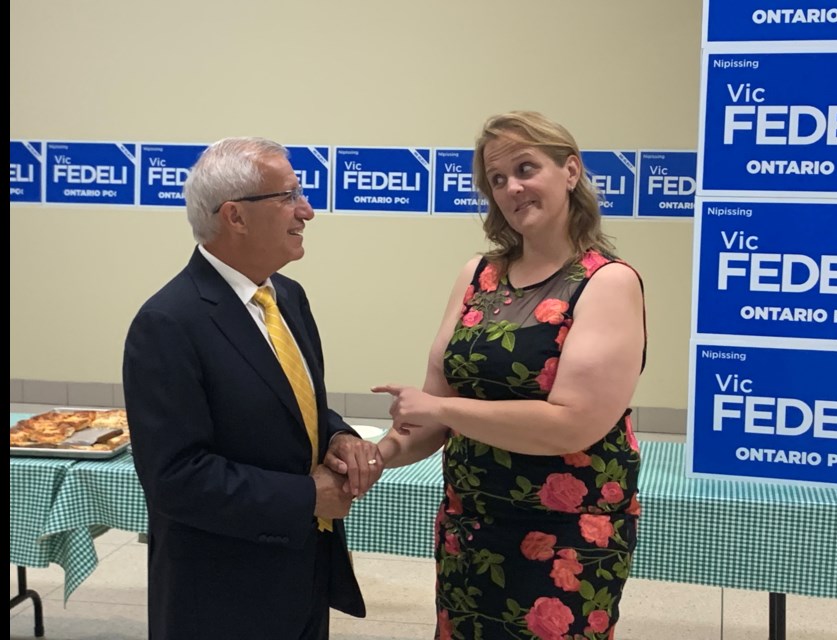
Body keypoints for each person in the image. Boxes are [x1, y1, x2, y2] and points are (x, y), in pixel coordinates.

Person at [371, 111, 647, 639]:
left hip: (567, 535)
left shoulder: (607, 282)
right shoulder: (478, 274)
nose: (512, 188)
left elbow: (572, 424)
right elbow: (432, 416)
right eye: (497, 180)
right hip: (471, 528)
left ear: (570, 171)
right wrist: (378, 456)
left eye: (525, 168)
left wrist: (442, 410)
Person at [122, 137, 382, 640]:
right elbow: (176, 479)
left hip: (303, 573)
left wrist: (338, 436)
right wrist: (306, 495)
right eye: (288, 196)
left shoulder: (287, 296)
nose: (307, 210)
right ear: (235, 217)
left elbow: (298, 405)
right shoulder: (169, 322)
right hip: (221, 593)